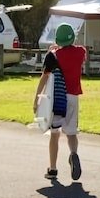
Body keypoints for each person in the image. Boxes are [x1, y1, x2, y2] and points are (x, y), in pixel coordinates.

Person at [33, 23, 87, 181]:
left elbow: (44, 77)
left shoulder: (53, 56)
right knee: (71, 132)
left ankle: (53, 169)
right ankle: (73, 154)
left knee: (54, 134)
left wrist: (37, 97)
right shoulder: (80, 52)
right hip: (73, 97)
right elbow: (77, 49)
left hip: (57, 98)